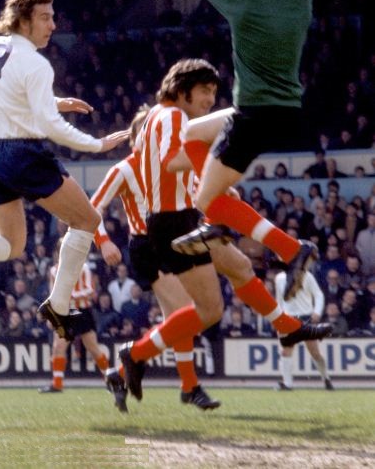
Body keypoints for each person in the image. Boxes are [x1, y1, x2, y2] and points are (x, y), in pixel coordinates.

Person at [118, 59, 332, 402]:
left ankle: (287, 321)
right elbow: (172, 160)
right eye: (204, 91)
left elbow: (168, 168)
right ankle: (138, 354)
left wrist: (209, 177)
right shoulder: (172, 117)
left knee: (241, 267)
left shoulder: (161, 119)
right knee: (210, 311)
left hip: (178, 217)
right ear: (182, 90)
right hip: (174, 223)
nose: (208, 99)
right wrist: (212, 170)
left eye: (214, 93)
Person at [0, 0, 129, 342]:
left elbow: (15, 94)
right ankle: (59, 306)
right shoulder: (36, 62)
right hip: (23, 153)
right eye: (45, 17)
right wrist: (96, 144)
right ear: (23, 20)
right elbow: (49, 126)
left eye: (52, 16)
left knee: (12, 243)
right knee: (88, 219)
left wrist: (56, 102)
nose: (52, 24)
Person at [170, 0, 321, 301]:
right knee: (191, 134)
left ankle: (234, 225)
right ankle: (281, 242)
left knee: (205, 201)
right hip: (284, 111)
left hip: (251, 116)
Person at [92, 103, 220, 410]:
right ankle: (185, 384)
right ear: (138, 137)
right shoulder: (124, 168)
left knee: (177, 320)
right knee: (186, 312)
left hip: (172, 239)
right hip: (147, 247)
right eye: (147, 133)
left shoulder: (169, 166)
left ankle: (120, 373)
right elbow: (92, 206)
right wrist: (104, 240)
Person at [39, 254, 127, 412]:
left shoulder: (83, 267)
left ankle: (111, 380)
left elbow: (90, 291)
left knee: (93, 349)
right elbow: (53, 293)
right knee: (58, 347)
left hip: (81, 311)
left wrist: (71, 296)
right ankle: (57, 384)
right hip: (63, 312)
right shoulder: (54, 270)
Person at [274, 254, 334, 391]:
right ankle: (287, 384)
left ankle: (326, 378)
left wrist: (317, 312)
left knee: (314, 352)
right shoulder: (279, 278)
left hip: (306, 317)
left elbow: (318, 294)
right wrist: (278, 317)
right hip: (288, 318)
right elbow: (279, 300)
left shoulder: (307, 276)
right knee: (285, 351)